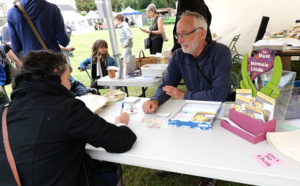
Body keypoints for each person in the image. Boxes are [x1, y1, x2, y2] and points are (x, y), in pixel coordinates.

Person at [0, 50, 137, 185]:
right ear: (55, 74)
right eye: (68, 77)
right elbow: (120, 141)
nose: (70, 84)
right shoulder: (67, 108)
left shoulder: (4, 112)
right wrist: (121, 124)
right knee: (113, 168)